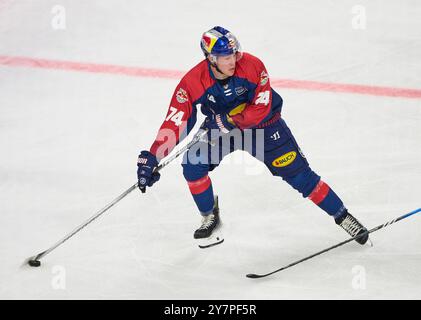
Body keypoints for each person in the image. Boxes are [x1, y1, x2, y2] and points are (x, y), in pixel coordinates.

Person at [136, 26, 369, 245]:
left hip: (264, 128)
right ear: (210, 59)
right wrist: (154, 155)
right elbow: (177, 119)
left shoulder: (253, 66)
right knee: (192, 164)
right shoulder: (193, 81)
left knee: (301, 177)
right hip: (222, 130)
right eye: (226, 57)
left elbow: (261, 108)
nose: (233, 60)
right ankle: (209, 216)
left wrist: (227, 120)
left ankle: (343, 216)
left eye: (234, 53)